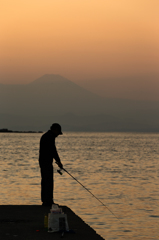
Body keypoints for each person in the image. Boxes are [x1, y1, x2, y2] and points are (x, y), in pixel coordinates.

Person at [39, 123, 63, 206]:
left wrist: (57, 161)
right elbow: (53, 150)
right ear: (55, 130)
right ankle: (48, 201)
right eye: (58, 132)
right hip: (46, 162)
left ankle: (45, 200)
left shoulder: (46, 136)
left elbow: (52, 151)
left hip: (44, 161)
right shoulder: (50, 137)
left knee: (45, 181)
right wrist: (59, 161)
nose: (58, 135)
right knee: (48, 181)